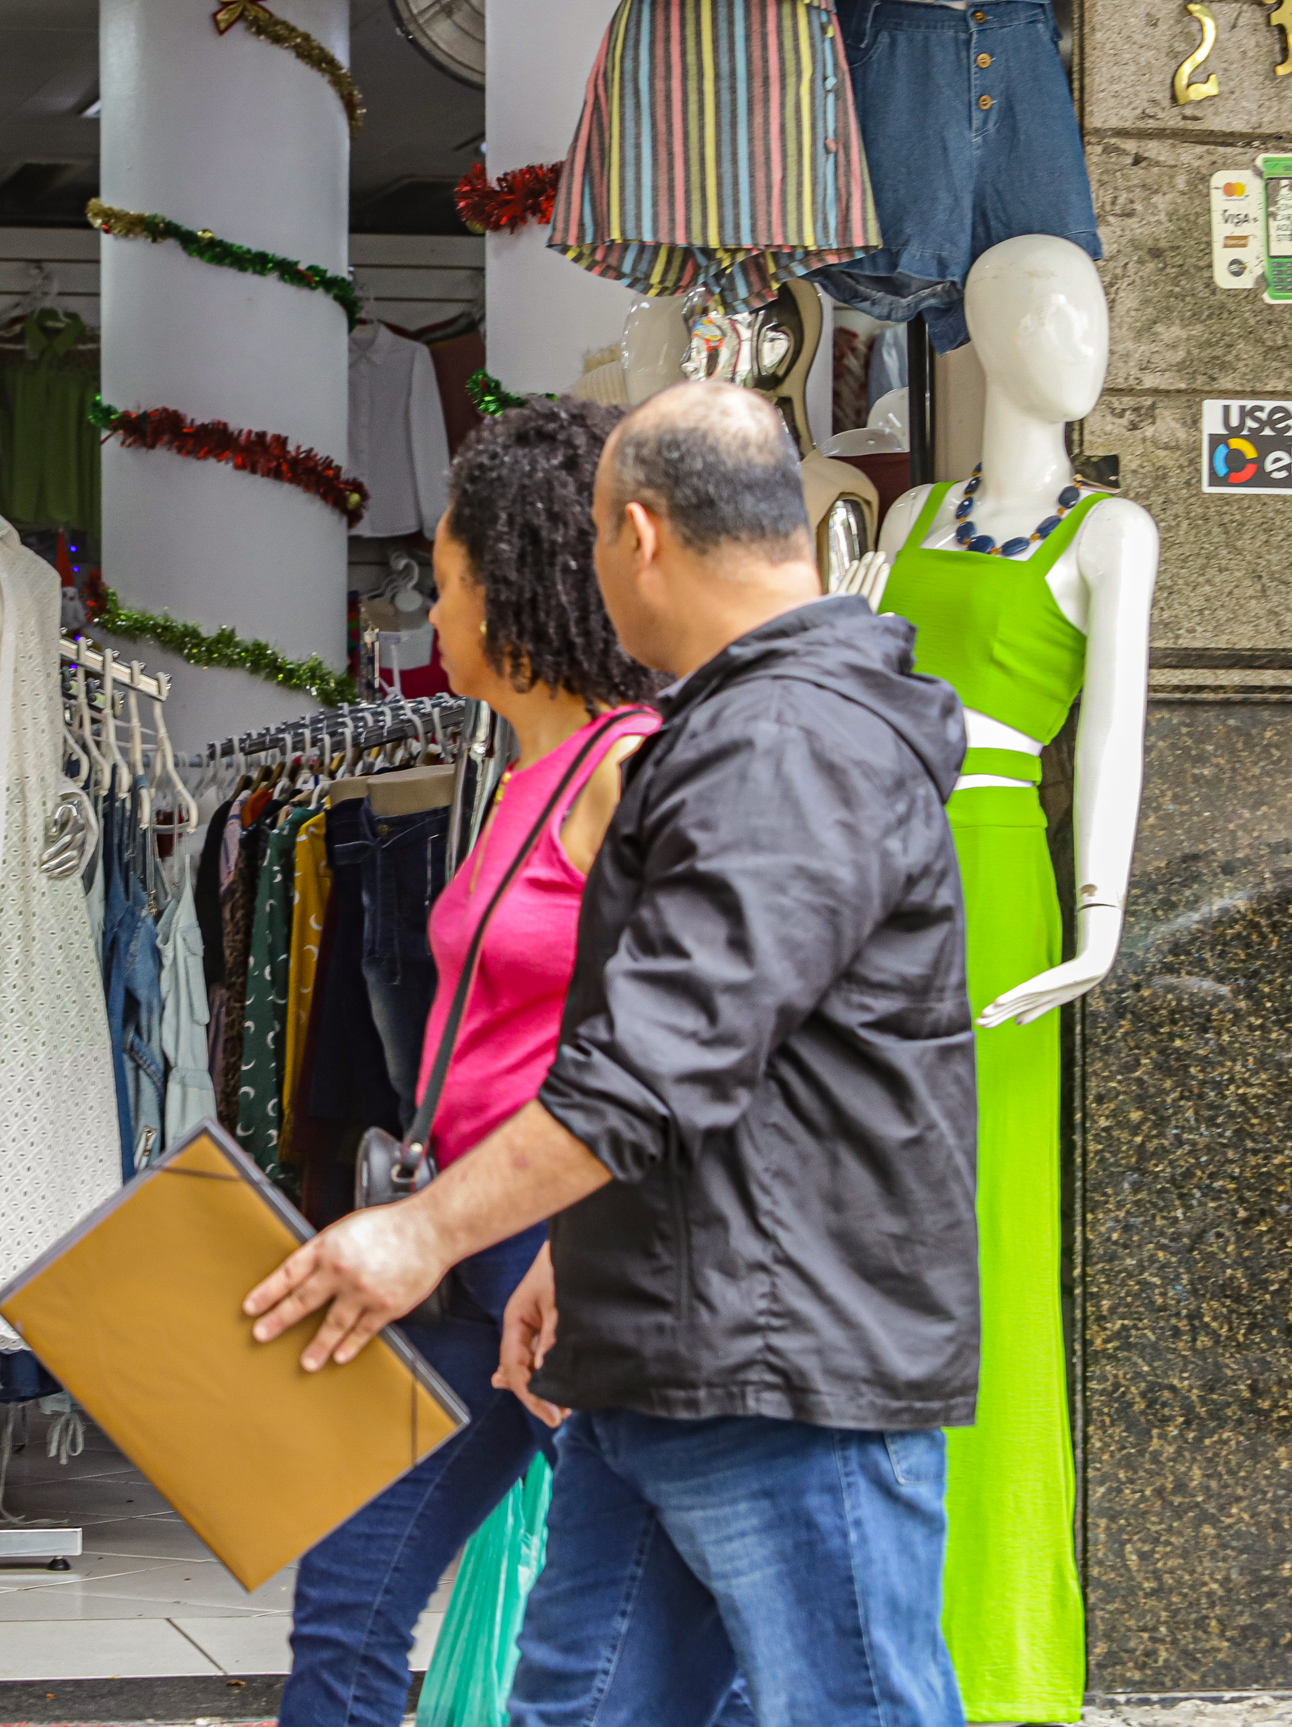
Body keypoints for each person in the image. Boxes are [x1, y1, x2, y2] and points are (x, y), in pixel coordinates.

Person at [246, 380, 978, 1727]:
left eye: (590, 540)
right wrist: (578, 1268)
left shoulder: (789, 739)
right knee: (577, 1708)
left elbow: (661, 1059)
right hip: (676, 1352)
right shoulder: (744, 726)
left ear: (639, 534)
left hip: (781, 1369)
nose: (583, 574)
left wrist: (422, 1235)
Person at [280, 400, 659, 1727]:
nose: (430, 620)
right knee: (350, 1590)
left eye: (445, 586)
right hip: (464, 1229)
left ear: (518, 594)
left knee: (628, 1625)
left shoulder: (627, 771)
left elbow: (660, 1039)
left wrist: (575, 1244)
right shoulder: (512, 780)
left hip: (549, 1244)